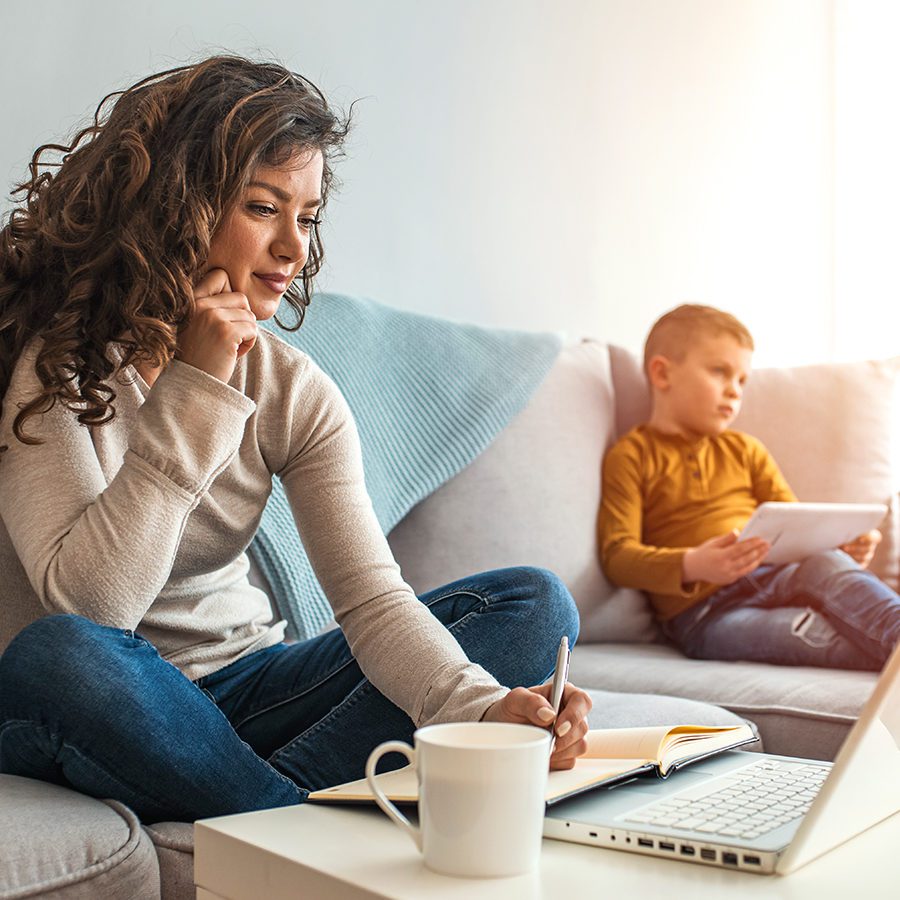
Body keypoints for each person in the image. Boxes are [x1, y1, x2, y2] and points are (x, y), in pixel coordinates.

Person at [0, 55, 591, 824]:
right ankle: (301, 826)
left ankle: (267, 811)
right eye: (262, 208)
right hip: (107, 694)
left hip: (249, 689)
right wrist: (198, 388)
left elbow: (373, 601)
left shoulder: (292, 388)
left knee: (533, 605)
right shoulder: (60, 364)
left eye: (306, 217)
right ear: (176, 207)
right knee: (60, 656)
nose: (294, 250)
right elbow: (90, 606)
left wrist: (479, 709)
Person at [599, 303, 900, 671]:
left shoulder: (745, 450)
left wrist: (840, 544)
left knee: (828, 562)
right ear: (662, 374)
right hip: (706, 616)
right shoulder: (631, 456)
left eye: (742, 380)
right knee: (819, 637)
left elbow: (797, 527)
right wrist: (694, 564)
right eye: (720, 372)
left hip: (778, 577)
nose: (734, 391)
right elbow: (617, 557)